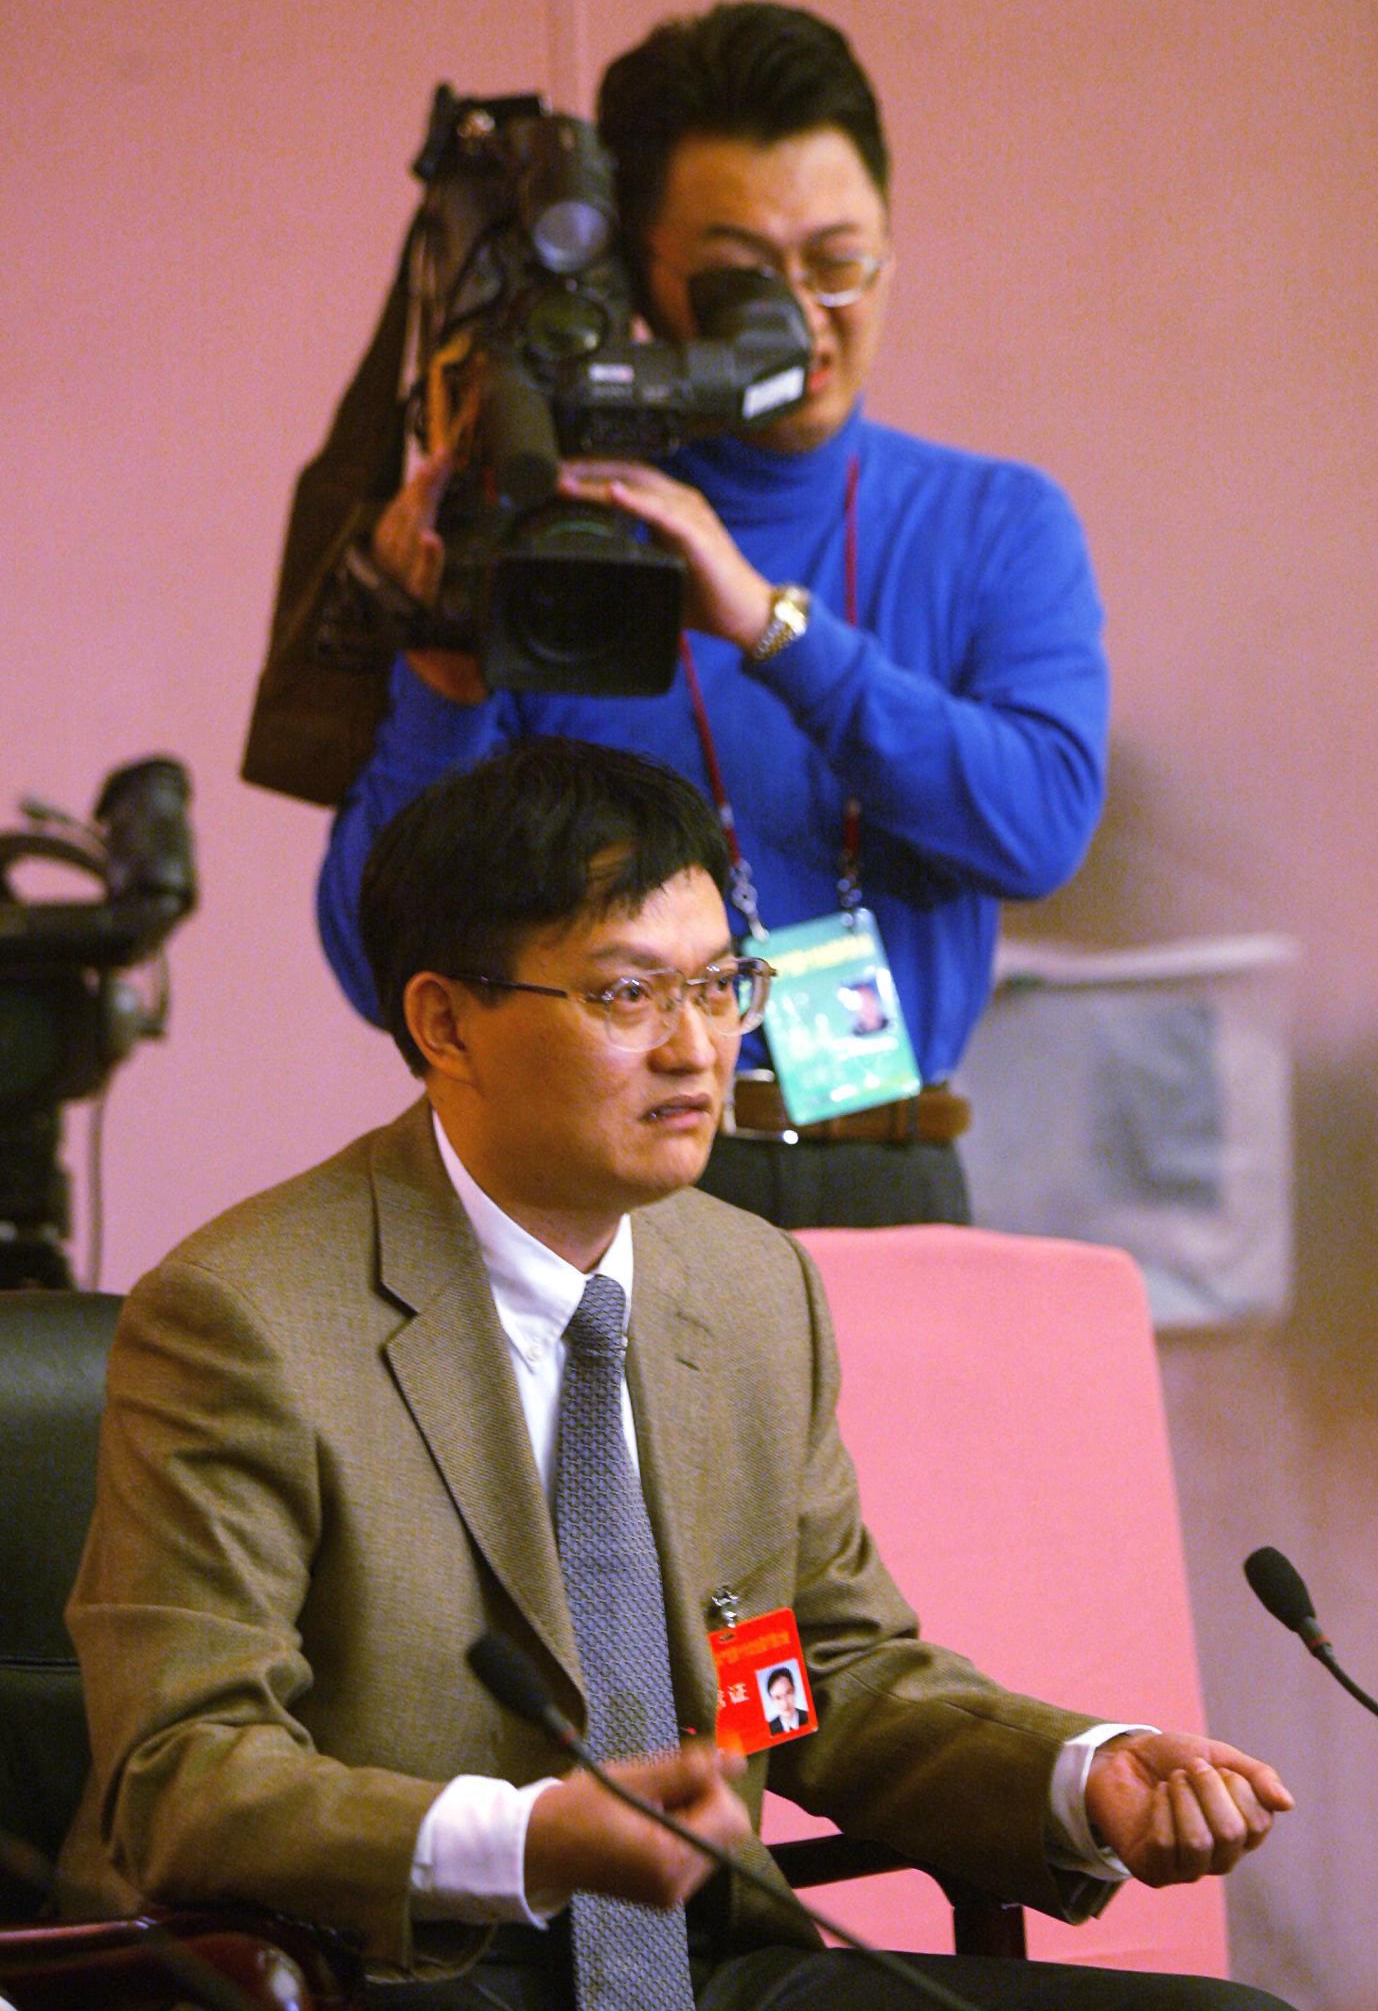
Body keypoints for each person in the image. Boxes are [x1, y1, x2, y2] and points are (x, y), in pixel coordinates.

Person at [64, 739, 1292, 2010]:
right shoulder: (245, 1313)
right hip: (399, 1965)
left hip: (709, 1966)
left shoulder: (751, 1284)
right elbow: (180, 1771)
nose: (696, 1048)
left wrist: (1078, 1774)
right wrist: (528, 1838)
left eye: (719, 986)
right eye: (626, 994)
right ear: (444, 1022)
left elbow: (813, 1676)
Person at [266, 0, 1108, 1233]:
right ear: (639, 274)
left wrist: (774, 629)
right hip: (618, 1194)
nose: (801, 321)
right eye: (738, 278)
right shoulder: (550, 531)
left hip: (894, 1167)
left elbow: (1037, 830)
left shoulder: (994, 521)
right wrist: (442, 680)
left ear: (891, 243)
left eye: (839, 262)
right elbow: (378, 967)